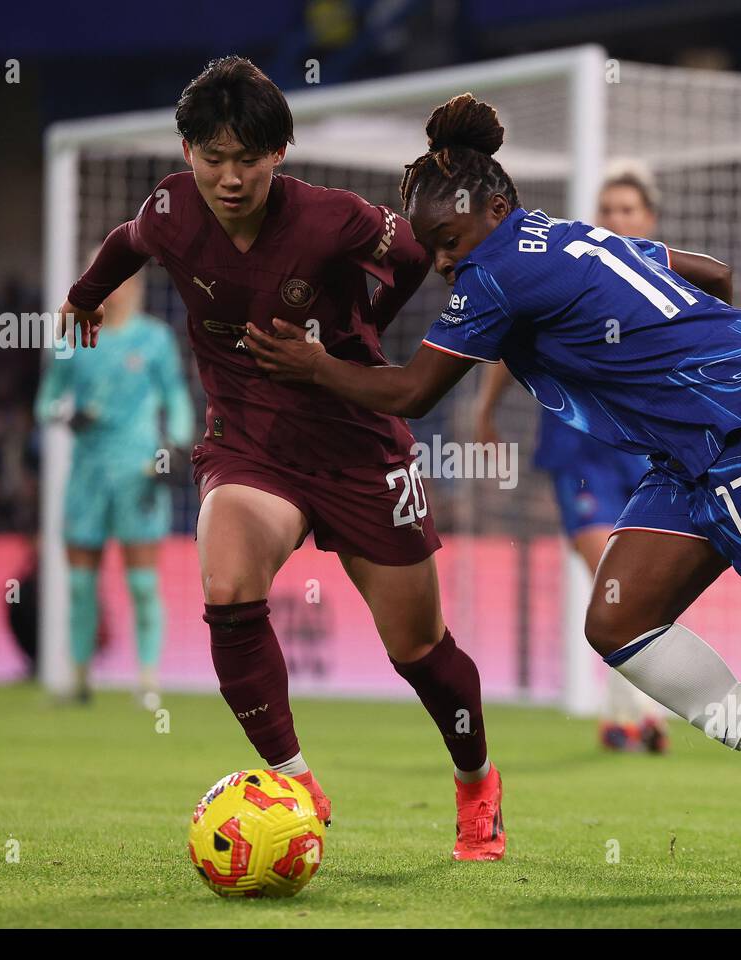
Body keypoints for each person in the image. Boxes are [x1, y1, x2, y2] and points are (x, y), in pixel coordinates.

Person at [245, 93, 741, 881]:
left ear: (496, 208)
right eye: (432, 248)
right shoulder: (566, 236)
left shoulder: (496, 271)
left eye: (449, 240)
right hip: (706, 440)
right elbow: (714, 274)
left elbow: (408, 393)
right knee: (619, 620)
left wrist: (311, 365)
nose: (443, 262)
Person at [54, 58, 505, 860]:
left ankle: (476, 786)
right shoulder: (170, 207)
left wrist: (355, 334)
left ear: (280, 153)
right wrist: (87, 295)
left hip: (358, 445)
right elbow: (129, 241)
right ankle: (292, 782)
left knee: (420, 652)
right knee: (227, 585)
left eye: (248, 159)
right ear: (187, 150)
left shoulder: (332, 218)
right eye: (211, 156)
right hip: (252, 444)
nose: (229, 177)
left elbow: (412, 253)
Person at [473, 161, 731, 753]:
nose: (616, 219)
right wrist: (485, 411)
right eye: (607, 210)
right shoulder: (572, 274)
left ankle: (621, 714)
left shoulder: (669, 282)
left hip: (647, 450)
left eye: (627, 211)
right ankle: (643, 711)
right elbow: (514, 341)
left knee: (636, 589)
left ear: (650, 220)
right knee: (607, 576)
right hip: (578, 450)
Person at [37, 270, 192, 709]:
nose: (111, 287)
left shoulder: (155, 340)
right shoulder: (70, 339)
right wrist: (66, 412)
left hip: (138, 472)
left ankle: (147, 681)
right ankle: (80, 678)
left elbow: (176, 398)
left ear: (136, 286)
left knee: (142, 583)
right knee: (82, 584)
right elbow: (45, 400)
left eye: (117, 279)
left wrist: (175, 446)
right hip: (87, 475)